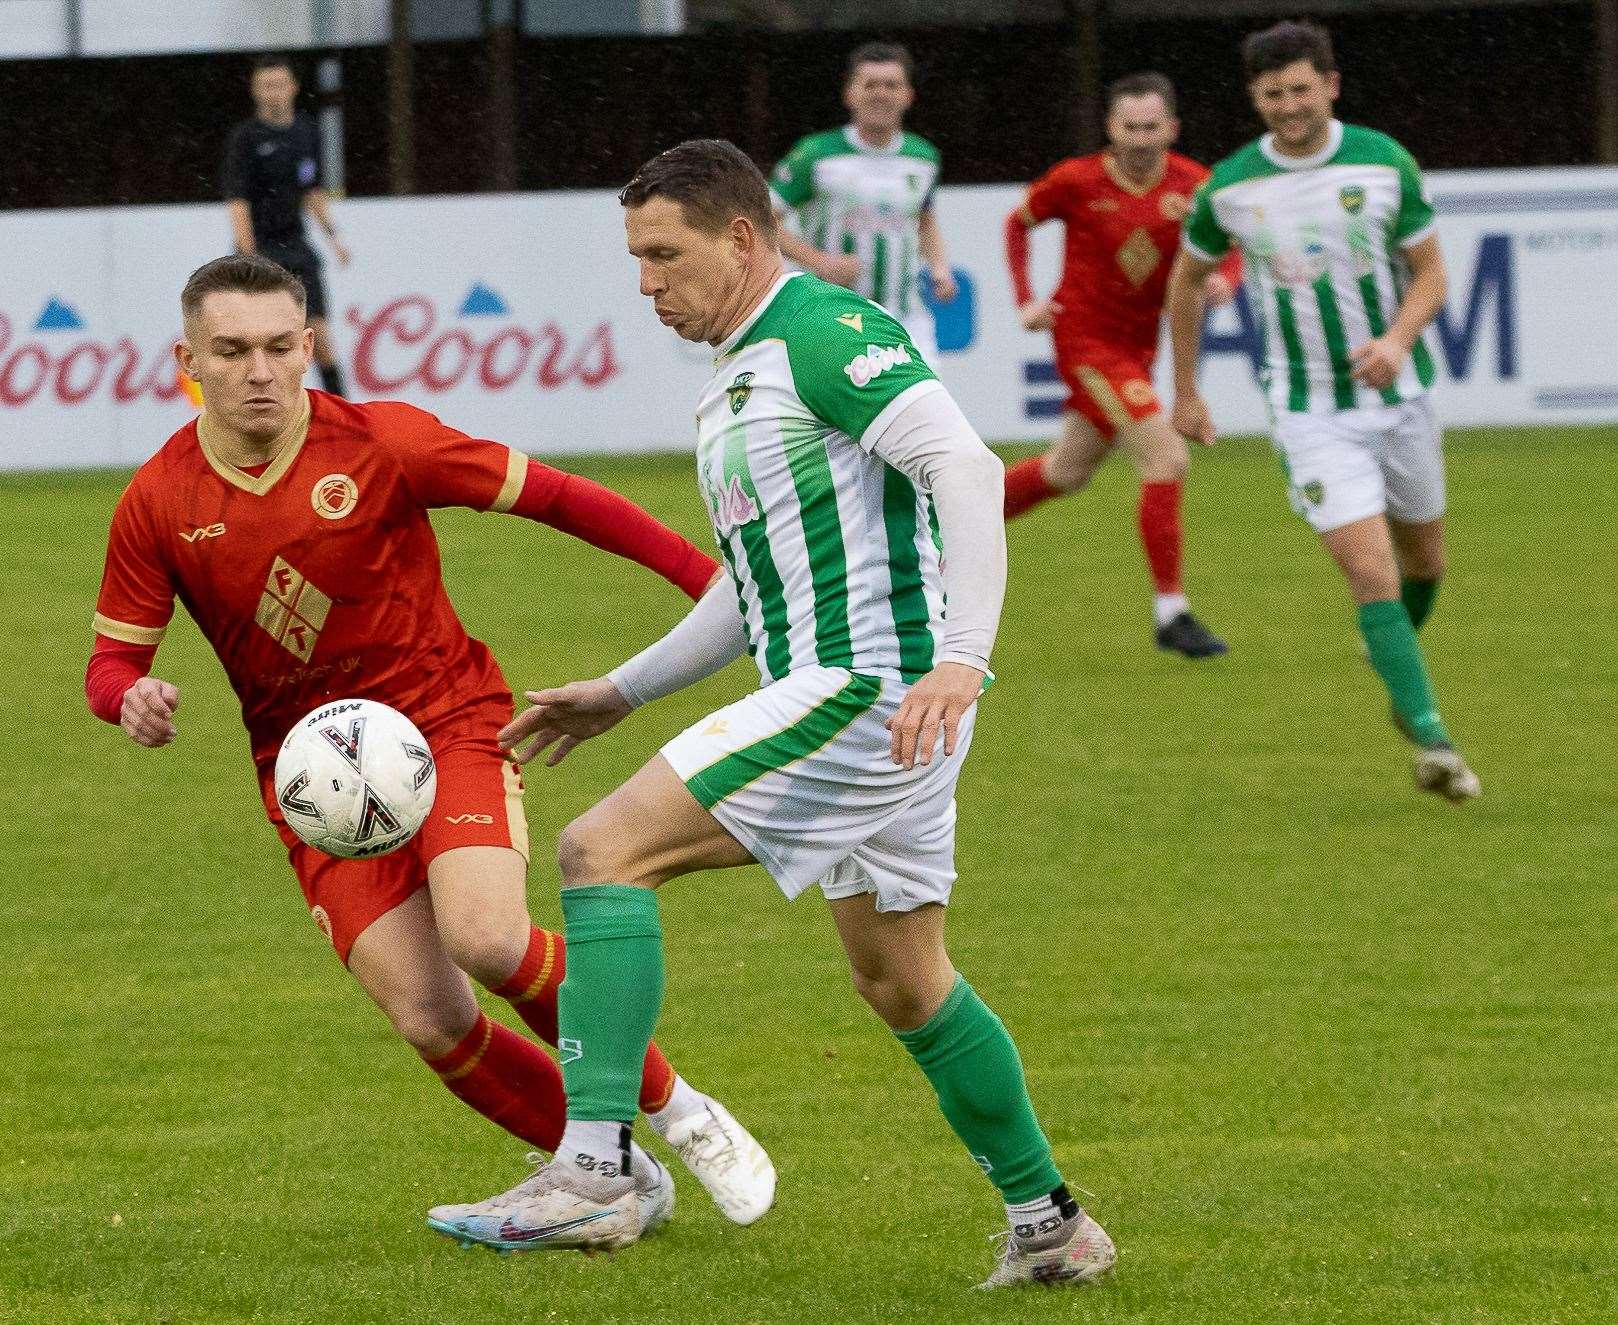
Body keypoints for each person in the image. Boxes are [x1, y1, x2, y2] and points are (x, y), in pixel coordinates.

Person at [428, 140, 1116, 1291]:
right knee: (903, 978)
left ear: (741, 238)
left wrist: (964, 658)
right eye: (635, 258)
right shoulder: (741, 378)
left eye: (665, 254)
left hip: (864, 688)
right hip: (862, 699)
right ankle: (1050, 1222)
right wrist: (624, 688)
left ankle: (594, 1165)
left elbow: (964, 465)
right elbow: (748, 590)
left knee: (602, 850)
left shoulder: (824, 334)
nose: (647, 283)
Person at [86, 254, 777, 1233]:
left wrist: (712, 583)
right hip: (312, 780)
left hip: (443, 722)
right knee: (429, 1015)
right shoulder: (159, 499)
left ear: (309, 346)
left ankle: (681, 1112)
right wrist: (131, 700)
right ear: (187, 358)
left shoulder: (382, 443)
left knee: (488, 936)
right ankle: (607, 1179)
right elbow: (109, 665)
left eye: (280, 347)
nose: (258, 371)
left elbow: (561, 497)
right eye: (231, 350)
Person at [1164, 21, 1481, 800]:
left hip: (1399, 398)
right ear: (1254, 98)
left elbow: (1432, 272)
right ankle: (1432, 738)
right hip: (1308, 412)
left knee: (1425, 565)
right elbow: (1184, 282)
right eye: (1272, 94)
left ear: (1331, 85)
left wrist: (1397, 339)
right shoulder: (1230, 187)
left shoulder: (1382, 162)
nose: (1288, 106)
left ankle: (1392, 652)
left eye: (1301, 89)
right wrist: (1187, 389)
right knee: (1370, 572)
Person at [1003, 72, 1237, 658]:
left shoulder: (1195, 184)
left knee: (1065, 471)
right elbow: (1017, 224)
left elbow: (1227, 244)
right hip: (1085, 343)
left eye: (1151, 126)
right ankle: (1171, 612)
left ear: (1172, 129)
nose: (1139, 138)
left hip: (1138, 347)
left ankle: (943, 529)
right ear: (1111, 128)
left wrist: (1226, 282)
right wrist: (1026, 299)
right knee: (1166, 454)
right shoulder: (1076, 180)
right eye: (1128, 127)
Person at [769, 42, 957, 362]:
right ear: (849, 94)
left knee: (926, 411)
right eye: (870, 85)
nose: (880, 94)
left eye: (891, 85)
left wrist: (939, 267)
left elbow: (924, 220)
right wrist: (819, 261)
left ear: (908, 95)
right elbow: (764, 220)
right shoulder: (816, 154)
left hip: (905, 319)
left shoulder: (923, 157)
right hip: (830, 315)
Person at [222, 55, 350, 397]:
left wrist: (334, 238)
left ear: (292, 88)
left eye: (279, 85)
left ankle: (346, 420)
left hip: (296, 247)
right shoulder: (245, 139)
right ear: (255, 91)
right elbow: (238, 202)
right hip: (260, 250)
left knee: (320, 337)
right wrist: (249, 256)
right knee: (259, 344)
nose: (273, 93)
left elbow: (312, 190)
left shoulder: (307, 132)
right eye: (266, 86)